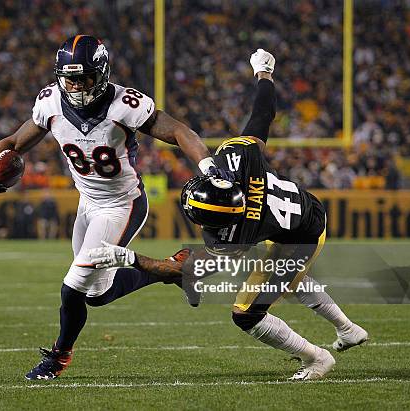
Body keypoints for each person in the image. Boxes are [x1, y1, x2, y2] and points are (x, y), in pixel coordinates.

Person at [88, 49, 368, 381]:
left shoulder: (231, 233)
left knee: (247, 312)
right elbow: (263, 112)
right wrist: (264, 72)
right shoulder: (240, 158)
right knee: (286, 277)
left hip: (301, 236)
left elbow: (179, 269)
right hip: (301, 214)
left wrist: (129, 257)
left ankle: (318, 359)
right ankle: (348, 330)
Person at [0, 35, 229, 380]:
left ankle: (59, 357)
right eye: (69, 78)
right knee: (96, 294)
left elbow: (179, 132)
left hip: (122, 204)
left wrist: (207, 165)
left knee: (73, 284)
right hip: (88, 202)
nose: (75, 86)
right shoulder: (50, 102)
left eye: (84, 77)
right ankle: (176, 269)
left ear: (102, 73)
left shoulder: (126, 104)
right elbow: (14, 142)